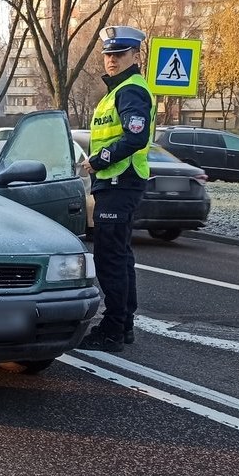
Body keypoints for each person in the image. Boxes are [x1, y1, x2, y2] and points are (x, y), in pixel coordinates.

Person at [78, 26, 157, 353]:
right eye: (108, 54)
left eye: (119, 54)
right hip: (116, 182)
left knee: (110, 257)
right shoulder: (119, 91)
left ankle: (112, 330)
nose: (111, 60)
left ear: (135, 56)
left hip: (120, 180)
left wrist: (99, 159)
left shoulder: (130, 90)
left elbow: (135, 137)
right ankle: (122, 326)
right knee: (120, 257)